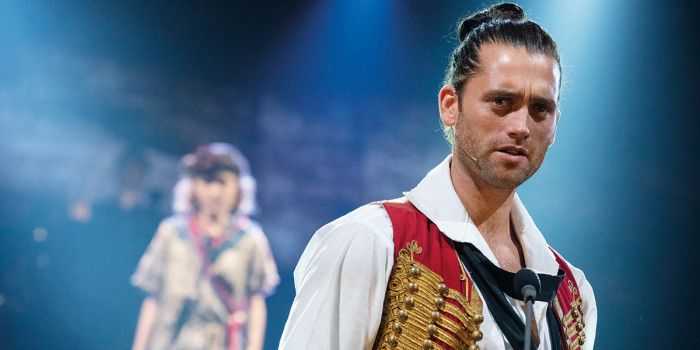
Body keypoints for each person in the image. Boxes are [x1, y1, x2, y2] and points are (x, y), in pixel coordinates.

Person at [280, 3, 596, 350]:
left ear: (554, 128)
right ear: (450, 105)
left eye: (540, 109)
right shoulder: (369, 242)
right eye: (501, 102)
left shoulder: (573, 291)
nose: (521, 127)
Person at [131, 143, 279, 350]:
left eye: (222, 182)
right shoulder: (171, 233)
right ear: (193, 185)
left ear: (238, 187)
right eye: (207, 181)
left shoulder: (250, 239)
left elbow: (256, 301)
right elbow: (152, 298)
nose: (214, 192)